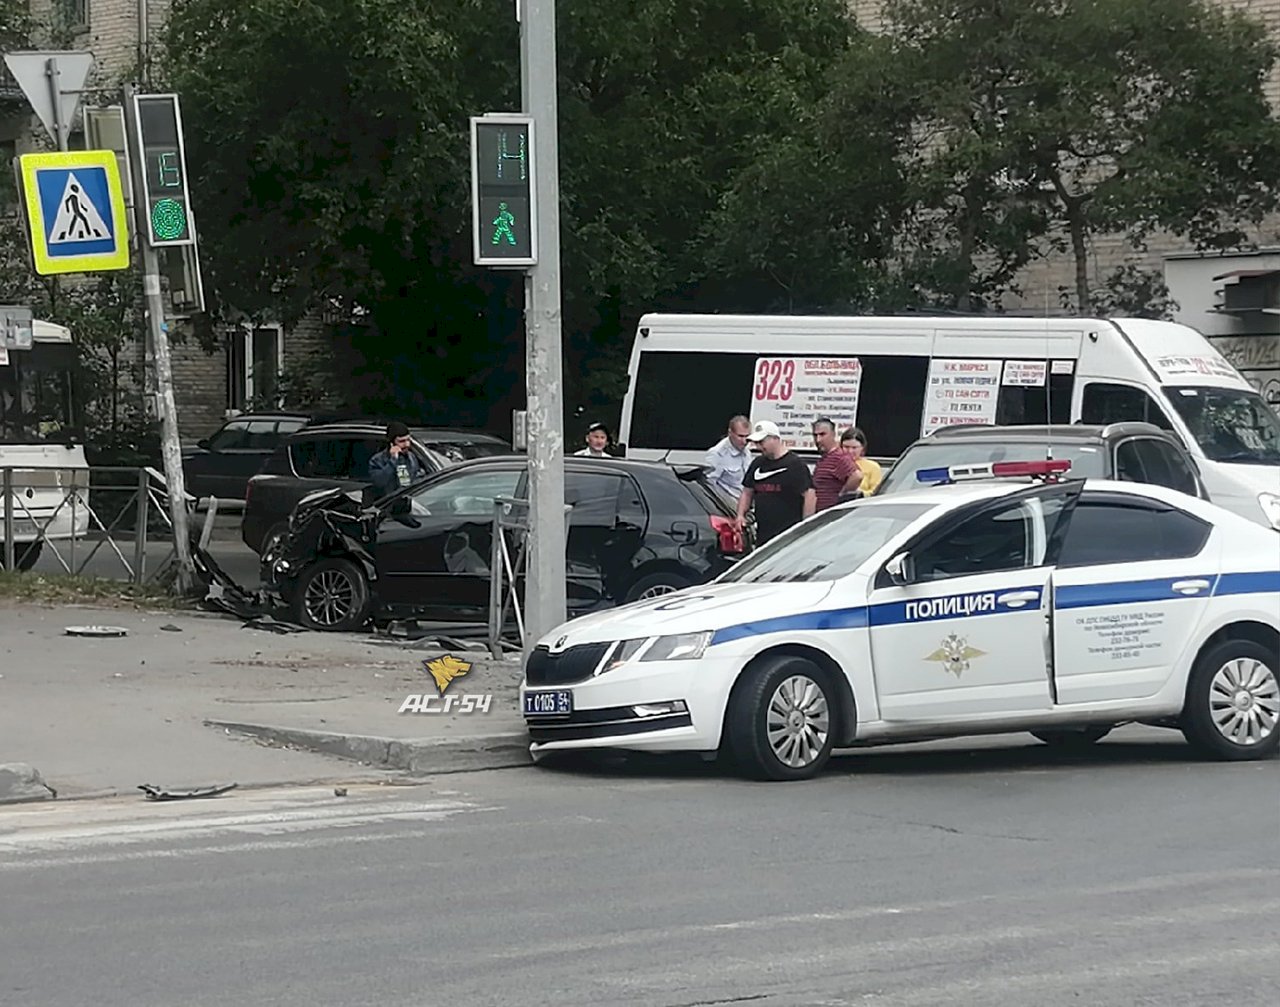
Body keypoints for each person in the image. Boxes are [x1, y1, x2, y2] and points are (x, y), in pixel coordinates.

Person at [735, 420, 815, 545]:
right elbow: (747, 491)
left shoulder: (795, 465)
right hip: (763, 532)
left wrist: (805, 525)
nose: (759, 447)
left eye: (762, 442)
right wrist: (740, 515)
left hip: (788, 533)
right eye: (756, 443)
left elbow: (809, 495)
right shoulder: (757, 463)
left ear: (775, 439)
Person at [811, 416, 861, 510]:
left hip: (831, 516)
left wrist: (842, 495)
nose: (818, 440)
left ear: (833, 434)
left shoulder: (839, 456)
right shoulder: (826, 458)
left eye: (822, 434)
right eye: (815, 435)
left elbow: (857, 476)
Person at [368, 421, 425, 498]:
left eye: (408, 440)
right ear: (391, 443)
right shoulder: (378, 460)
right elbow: (379, 482)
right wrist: (393, 460)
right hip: (387, 503)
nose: (407, 444)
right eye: (402, 441)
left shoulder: (411, 458)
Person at [704, 415, 752, 499]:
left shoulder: (746, 449)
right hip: (728, 505)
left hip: (746, 502)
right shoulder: (717, 453)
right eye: (740, 436)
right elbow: (709, 485)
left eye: (747, 436)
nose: (744, 441)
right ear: (730, 433)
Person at [840, 427, 883, 498]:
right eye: (846, 447)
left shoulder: (873, 467)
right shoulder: (835, 464)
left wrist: (861, 494)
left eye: (854, 448)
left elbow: (876, 492)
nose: (850, 451)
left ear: (862, 448)